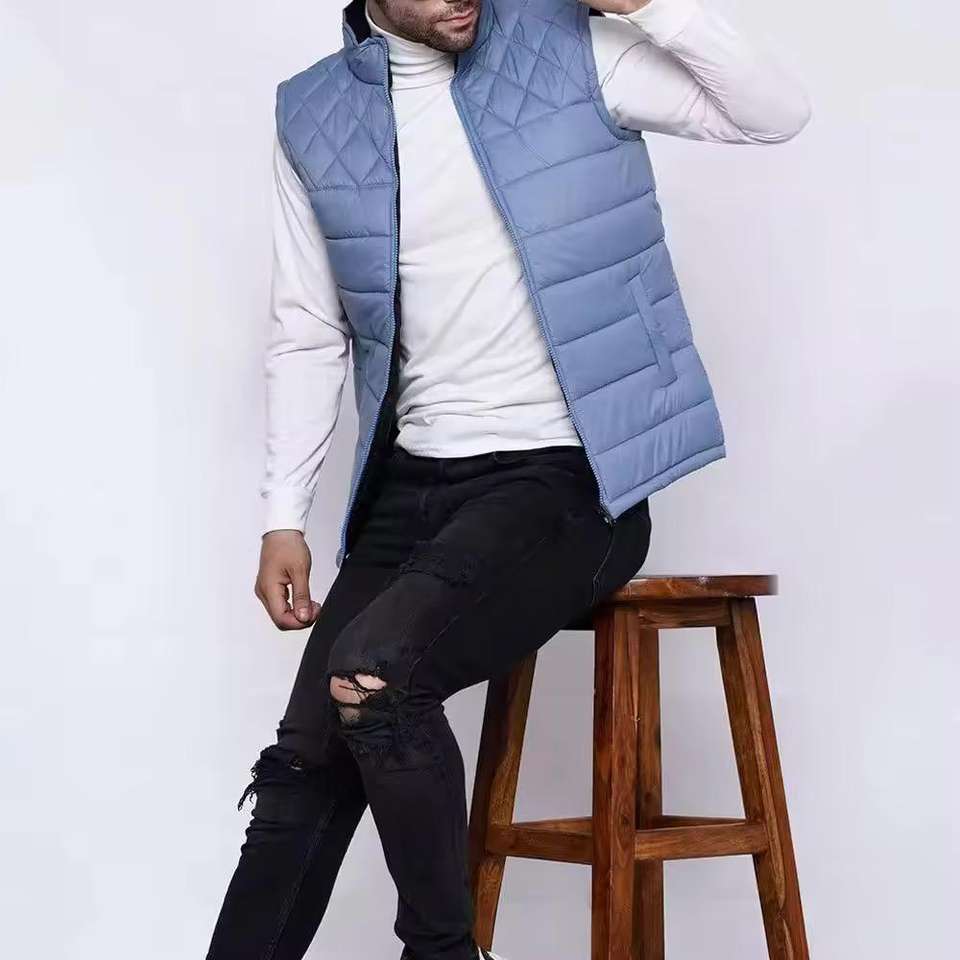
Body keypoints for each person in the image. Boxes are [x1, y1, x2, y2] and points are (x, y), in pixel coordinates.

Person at [205, 1, 810, 958]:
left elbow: (772, 113)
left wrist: (650, 7)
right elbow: (309, 328)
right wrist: (284, 515)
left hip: (569, 482)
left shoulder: (567, 48)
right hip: (411, 489)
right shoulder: (313, 113)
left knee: (376, 676)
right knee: (304, 763)